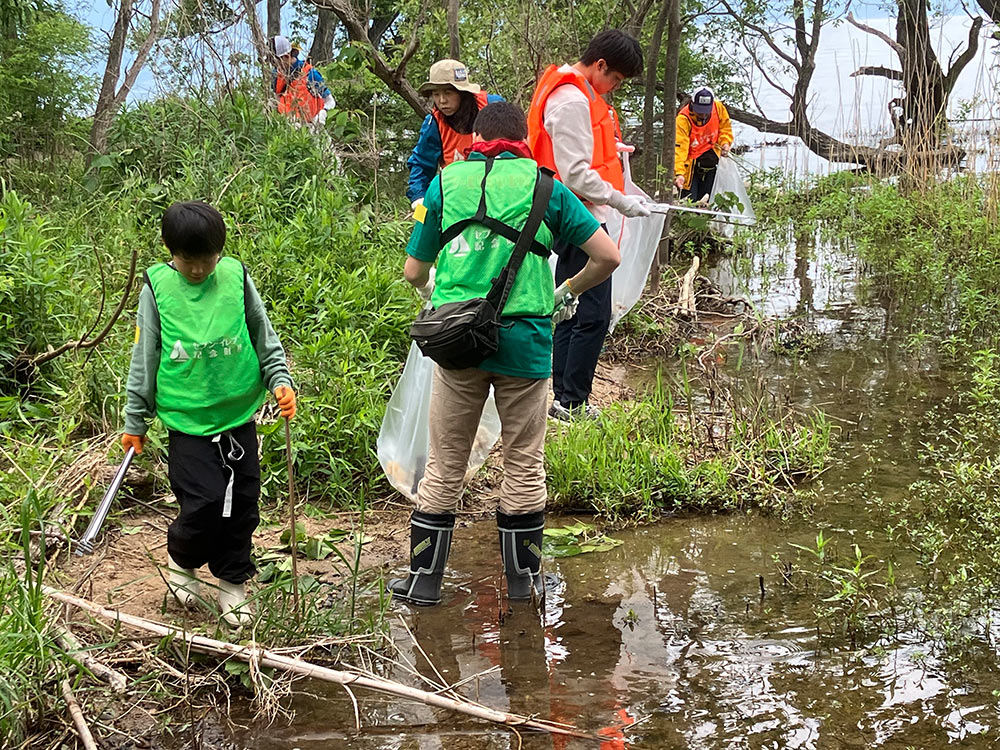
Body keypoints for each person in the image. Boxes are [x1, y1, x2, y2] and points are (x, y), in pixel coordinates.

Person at [388, 102, 620, 606]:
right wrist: (566, 291)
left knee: (446, 462)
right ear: (524, 141)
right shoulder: (546, 187)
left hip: (457, 348)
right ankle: (524, 584)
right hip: (527, 343)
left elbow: (412, 271)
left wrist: (442, 299)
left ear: (475, 139)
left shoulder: (446, 183)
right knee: (523, 462)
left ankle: (424, 583)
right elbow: (609, 256)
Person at [121, 201, 297, 628]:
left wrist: (280, 379)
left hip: (239, 415)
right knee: (204, 502)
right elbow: (144, 357)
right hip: (188, 421)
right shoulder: (157, 287)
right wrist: (135, 420)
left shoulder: (236, 277)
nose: (198, 269)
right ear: (168, 248)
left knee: (243, 505)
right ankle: (182, 561)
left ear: (221, 250)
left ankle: (232, 582)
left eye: (207, 260)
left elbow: (262, 332)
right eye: (188, 261)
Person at [526, 29, 648, 422]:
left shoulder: (574, 90)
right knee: (592, 313)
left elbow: (580, 150)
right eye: (615, 79)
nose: (614, 88)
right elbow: (574, 172)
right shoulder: (572, 100)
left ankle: (564, 396)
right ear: (600, 65)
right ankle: (572, 401)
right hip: (578, 215)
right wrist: (619, 199)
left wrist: (615, 152)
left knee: (568, 302)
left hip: (575, 211)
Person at [406, 59, 504, 208]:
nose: (442, 101)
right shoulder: (433, 124)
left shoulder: (493, 108)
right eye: (436, 94)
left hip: (499, 194)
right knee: (422, 220)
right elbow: (421, 163)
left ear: (463, 93)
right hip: (457, 202)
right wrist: (418, 198)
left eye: (448, 93)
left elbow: (518, 149)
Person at [673, 86, 734, 202]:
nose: (703, 115)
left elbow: (725, 128)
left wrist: (725, 143)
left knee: (709, 200)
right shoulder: (683, 120)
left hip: (712, 162)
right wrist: (679, 173)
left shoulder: (719, 108)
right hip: (691, 168)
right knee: (690, 201)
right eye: (700, 111)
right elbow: (679, 149)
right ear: (693, 104)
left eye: (706, 111)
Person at [272, 35, 335, 128]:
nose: (274, 65)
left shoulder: (311, 74)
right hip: (287, 130)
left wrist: (323, 112)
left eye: (275, 61)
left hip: (311, 129)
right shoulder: (276, 76)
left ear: (286, 56)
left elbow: (330, 101)